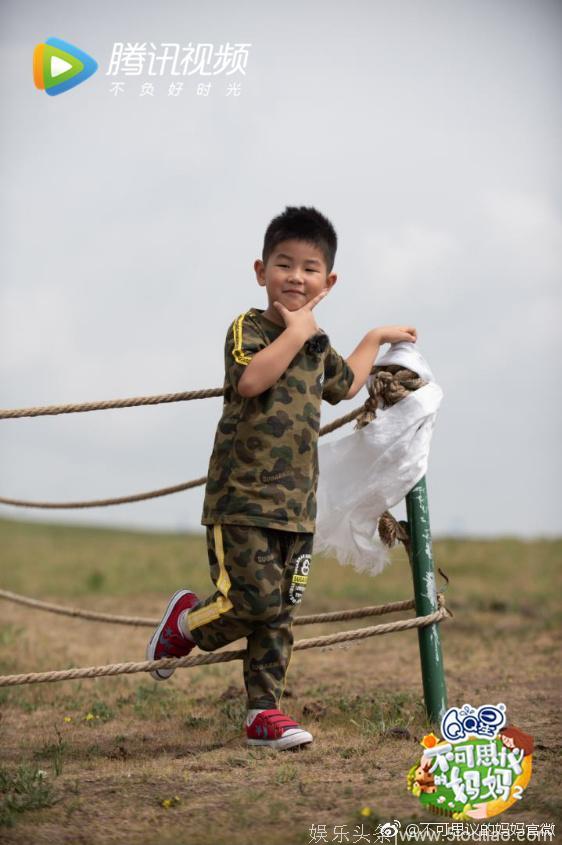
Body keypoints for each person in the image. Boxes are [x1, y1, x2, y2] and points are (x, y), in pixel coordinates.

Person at [147, 206, 417, 750]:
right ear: (260, 270)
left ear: (328, 280)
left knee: (281, 612)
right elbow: (251, 382)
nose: (296, 277)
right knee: (255, 601)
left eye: (310, 268)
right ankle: (184, 628)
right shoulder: (249, 327)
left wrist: (374, 337)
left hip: (297, 506)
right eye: (284, 264)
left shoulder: (317, 344)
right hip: (241, 499)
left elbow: (345, 385)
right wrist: (297, 331)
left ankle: (262, 712)